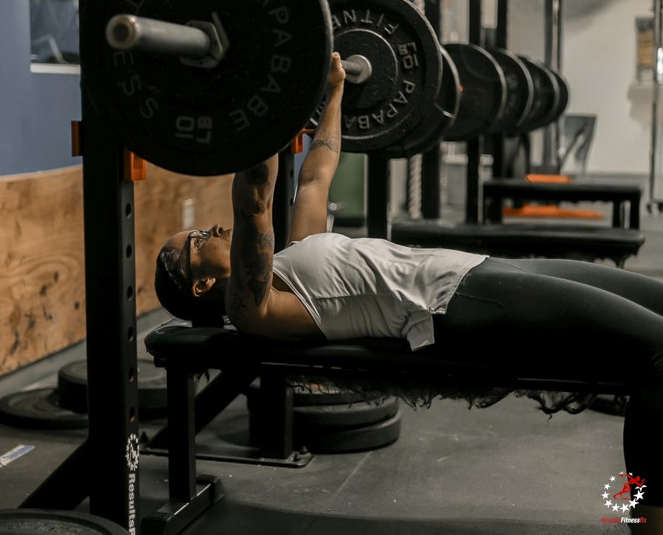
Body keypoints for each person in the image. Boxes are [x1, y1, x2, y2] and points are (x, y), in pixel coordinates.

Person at [154, 52, 663, 532]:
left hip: (482, 270)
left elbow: (315, 176)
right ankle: (644, 515)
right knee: (657, 355)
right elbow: (253, 203)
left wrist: (332, 93)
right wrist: (265, 98)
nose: (212, 231)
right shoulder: (254, 306)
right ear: (202, 284)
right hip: (460, 303)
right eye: (197, 240)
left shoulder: (295, 253)